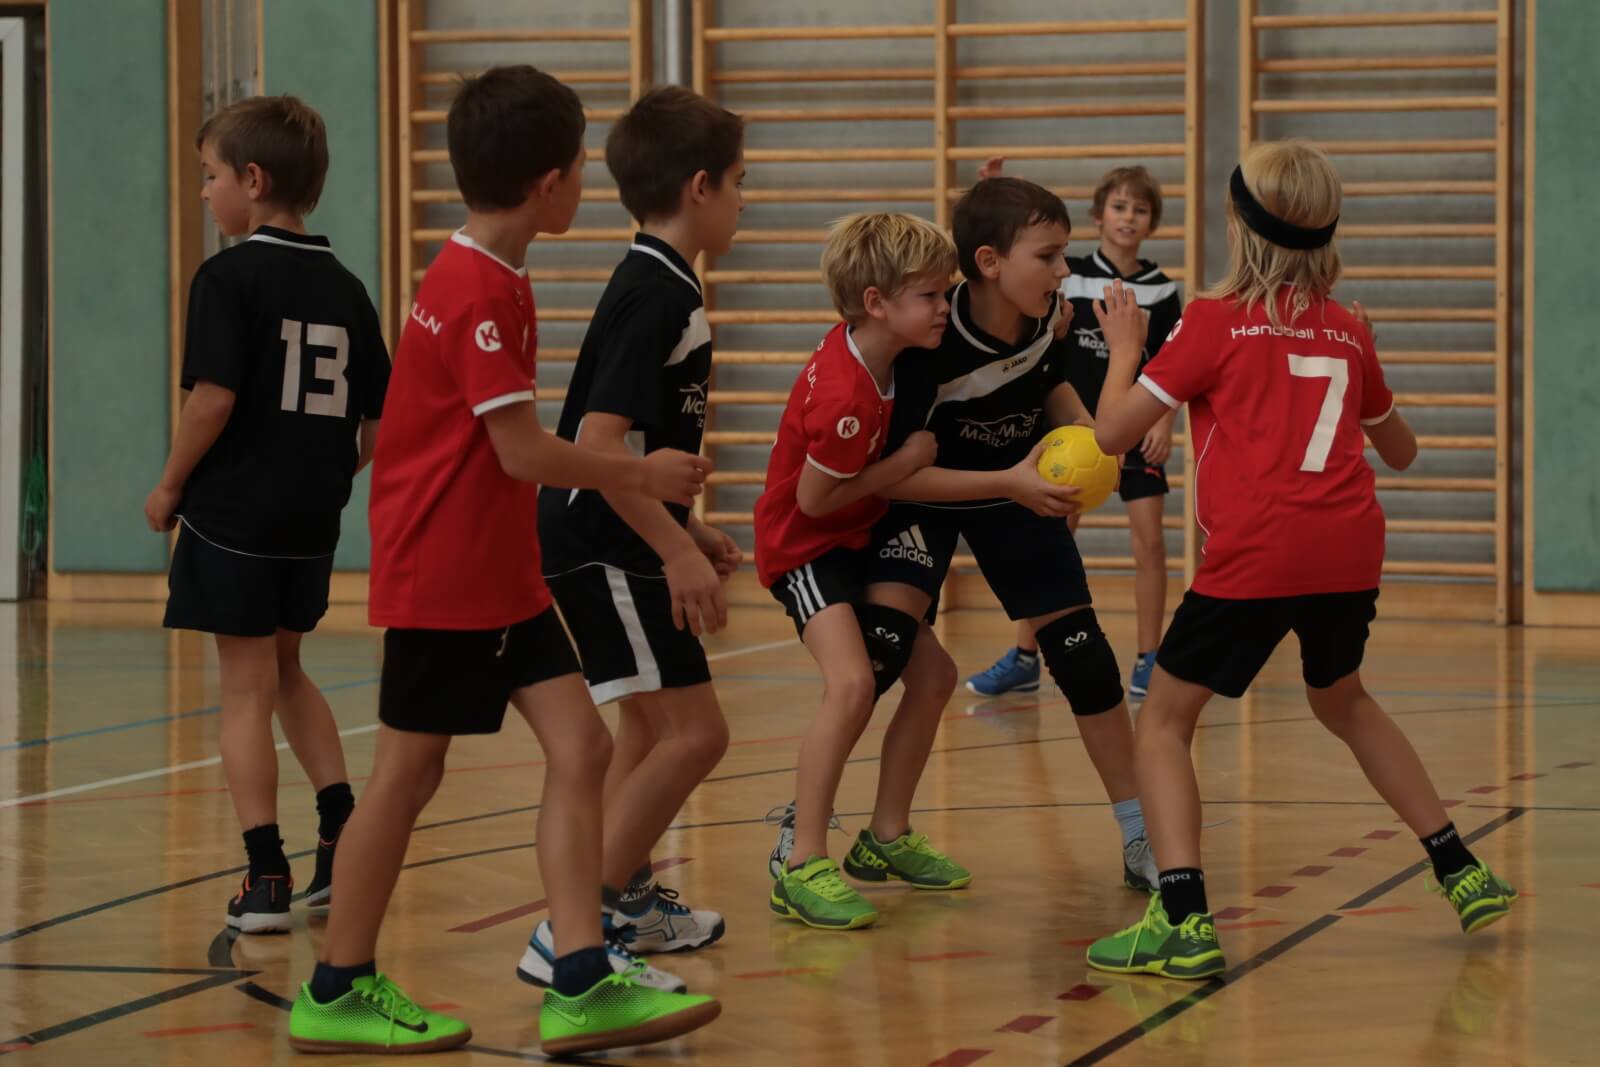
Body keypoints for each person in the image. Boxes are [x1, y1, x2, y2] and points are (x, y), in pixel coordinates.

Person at [286, 66, 719, 1057]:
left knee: (583, 748)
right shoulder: (476, 287)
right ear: (550, 182)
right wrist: (641, 472)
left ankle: (580, 974)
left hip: (499, 568)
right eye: (580, 170)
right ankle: (337, 984)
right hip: (444, 573)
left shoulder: (497, 273)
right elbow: (520, 451)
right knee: (408, 773)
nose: (586, 185)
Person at [1085, 140, 1518, 981]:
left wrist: (1127, 348)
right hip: (1349, 549)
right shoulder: (1347, 328)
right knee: (1342, 696)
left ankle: (1184, 920)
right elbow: (1403, 451)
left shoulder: (1211, 321)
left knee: (1163, 721)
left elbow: (1110, 435)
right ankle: (1460, 866)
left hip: (1258, 552)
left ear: (1239, 225)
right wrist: (1366, 354)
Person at [859, 177, 1161, 894]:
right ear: (990, 263)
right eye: (1048, 256)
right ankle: (825, 833)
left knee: (1085, 657)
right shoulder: (929, 337)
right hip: (929, 492)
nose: (1063, 269)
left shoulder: (1045, 313)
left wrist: (1087, 432)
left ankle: (1139, 834)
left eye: (1063, 254)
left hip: (1017, 481)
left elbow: (1048, 382)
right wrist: (1007, 480)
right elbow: (897, 478)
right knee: (878, 652)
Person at [144, 95, 386, 934]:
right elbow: (380, 424)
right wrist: (320, 473)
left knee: (244, 689)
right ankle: (342, 830)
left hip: (233, 520)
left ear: (252, 179)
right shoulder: (348, 288)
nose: (204, 191)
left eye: (210, 176)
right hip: (309, 524)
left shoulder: (227, 278)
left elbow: (211, 399)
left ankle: (266, 873)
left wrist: (168, 485)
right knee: (285, 670)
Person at [523, 85, 744, 987]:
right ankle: (573, 927)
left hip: (609, 528)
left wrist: (689, 525)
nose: (742, 199)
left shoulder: (663, 281)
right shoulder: (657, 293)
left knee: (647, 728)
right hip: (603, 535)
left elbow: (634, 445)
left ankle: (622, 905)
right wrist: (675, 549)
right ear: (700, 187)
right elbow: (600, 444)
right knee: (698, 734)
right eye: (738, 181)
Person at [755, 212, 970, 930]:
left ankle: (885, 835)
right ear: (876, 302)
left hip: (851, 538)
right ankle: (801, 862)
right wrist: (903, 464)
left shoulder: (880, 352)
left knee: (934, 678)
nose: (944, 308)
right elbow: (814, 501)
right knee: (850, 685)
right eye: (930, 296)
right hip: (805, 547)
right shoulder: (848, 395)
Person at [965, 162, 1182, 702]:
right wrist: (989, 189)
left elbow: (1174, 365)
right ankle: (1025, 657)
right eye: (1119, 206)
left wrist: (1163, 421)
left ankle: (1149, 659)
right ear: (1098, 216)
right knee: (1050, 540)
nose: (1128, 217)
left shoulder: (1161, 291)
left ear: (1153, 222)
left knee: (1150, 543)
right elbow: (1011, 257)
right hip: (1072, 431)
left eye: (1140, 209)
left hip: (1135, 430)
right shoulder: (1069, 273)